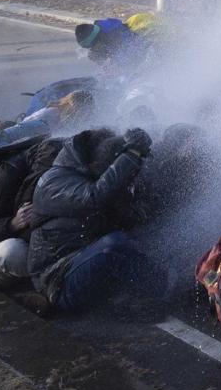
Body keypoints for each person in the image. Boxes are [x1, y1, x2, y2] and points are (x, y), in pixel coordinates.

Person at [27, 126, 170, 313]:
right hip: (56, 279)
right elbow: (93, 197)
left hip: (82, 260)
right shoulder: (53, 182)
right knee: (114, 245)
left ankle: (159, 285)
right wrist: (131, 154)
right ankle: (166, 289)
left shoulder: (89, 177)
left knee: (137, 241)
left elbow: (126, 218)